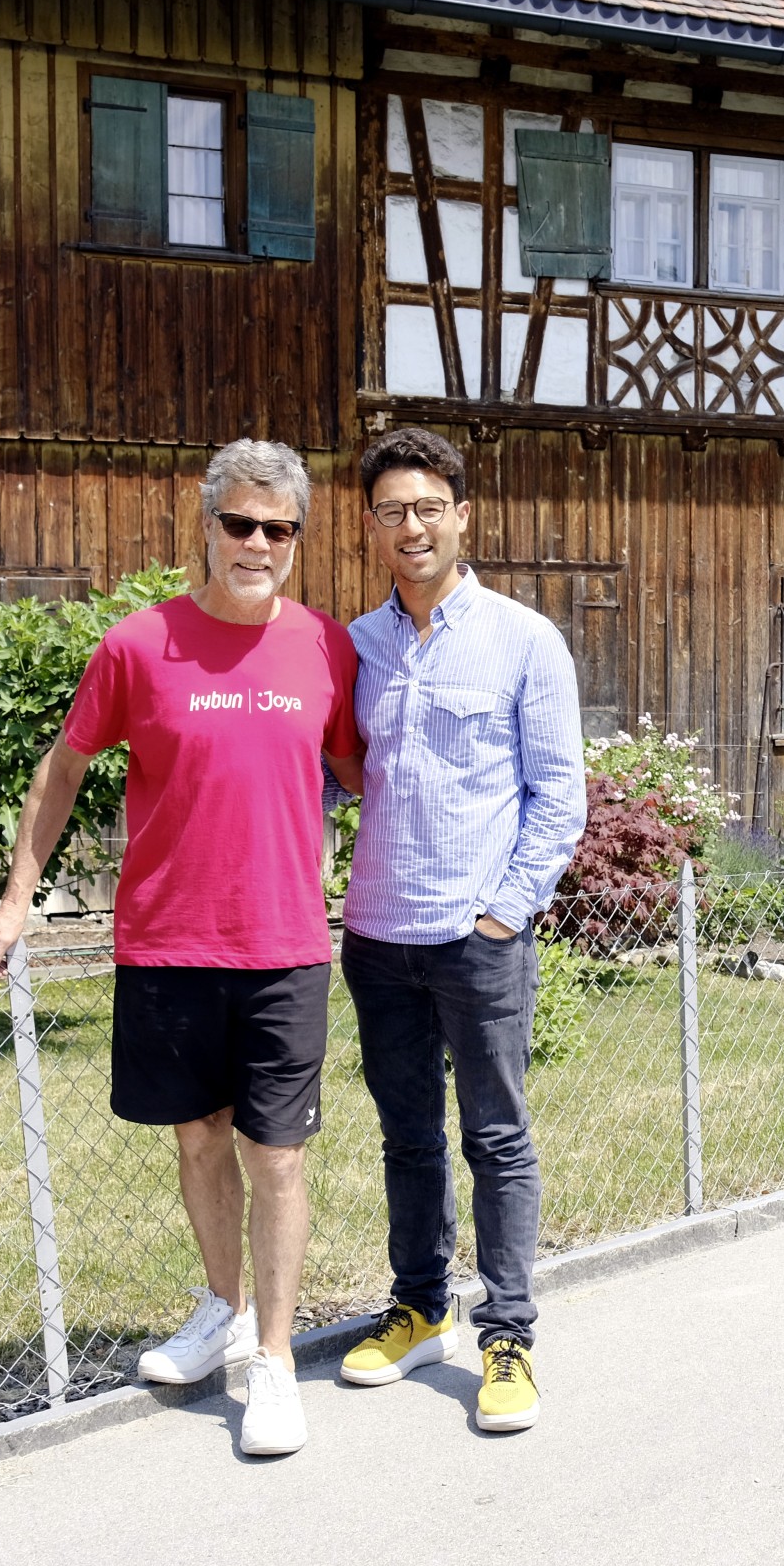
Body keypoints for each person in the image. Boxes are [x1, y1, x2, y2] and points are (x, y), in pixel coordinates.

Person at [0, 439, 361, 1459]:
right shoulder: (139, 645)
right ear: (206, 524)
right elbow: (64, 770)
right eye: (240, 523)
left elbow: (370, 771)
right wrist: (16, 902)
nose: (258, 544)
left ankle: (272, 1359)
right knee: (198, 1139)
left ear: (296, 539)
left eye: (279, 529)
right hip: (169, 942)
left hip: (283, 947)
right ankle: (222, 1309)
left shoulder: (323, 647)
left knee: (277, 1155)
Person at [332, 426, 584, 1433]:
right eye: (393, 510)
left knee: (495, 1136)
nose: (412, 526)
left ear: (462, 516)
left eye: (428, 507)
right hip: (377, 936)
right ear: (372, 525)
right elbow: (324, 773)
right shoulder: (354, 646)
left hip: (477, 940)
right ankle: (420, 1304)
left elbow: (558, 798)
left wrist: (499, 914)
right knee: (405, 1136)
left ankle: (508, 1335)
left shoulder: (524, 640)